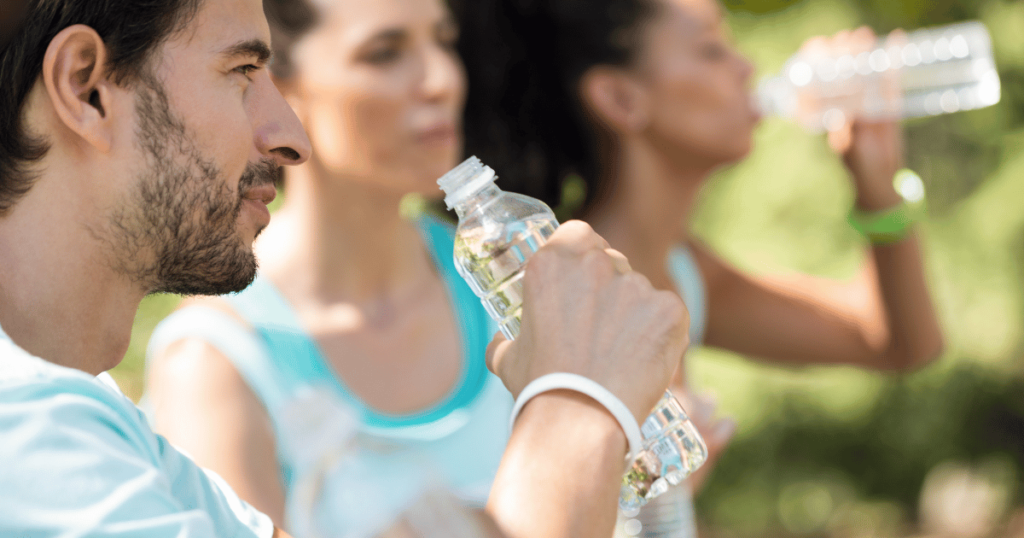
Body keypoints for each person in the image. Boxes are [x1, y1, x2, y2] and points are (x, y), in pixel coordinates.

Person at [0, 0, 691, 537]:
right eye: (241, 74)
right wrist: (579, 408)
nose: (288, 137)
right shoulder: (27, 428)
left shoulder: (100, 424)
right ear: (85, 87)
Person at [457, 0, 946, 534]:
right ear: (620, 98)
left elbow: (897, 343)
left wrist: (877, 187)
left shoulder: (683, 272)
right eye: (711, 49)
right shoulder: (548, 296)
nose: (745, 68)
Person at [144, 0, 512, 534]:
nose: (442, 80)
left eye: (443, 41)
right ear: (277, 87)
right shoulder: (216, 360)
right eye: (384, 54)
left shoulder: (505, 275)